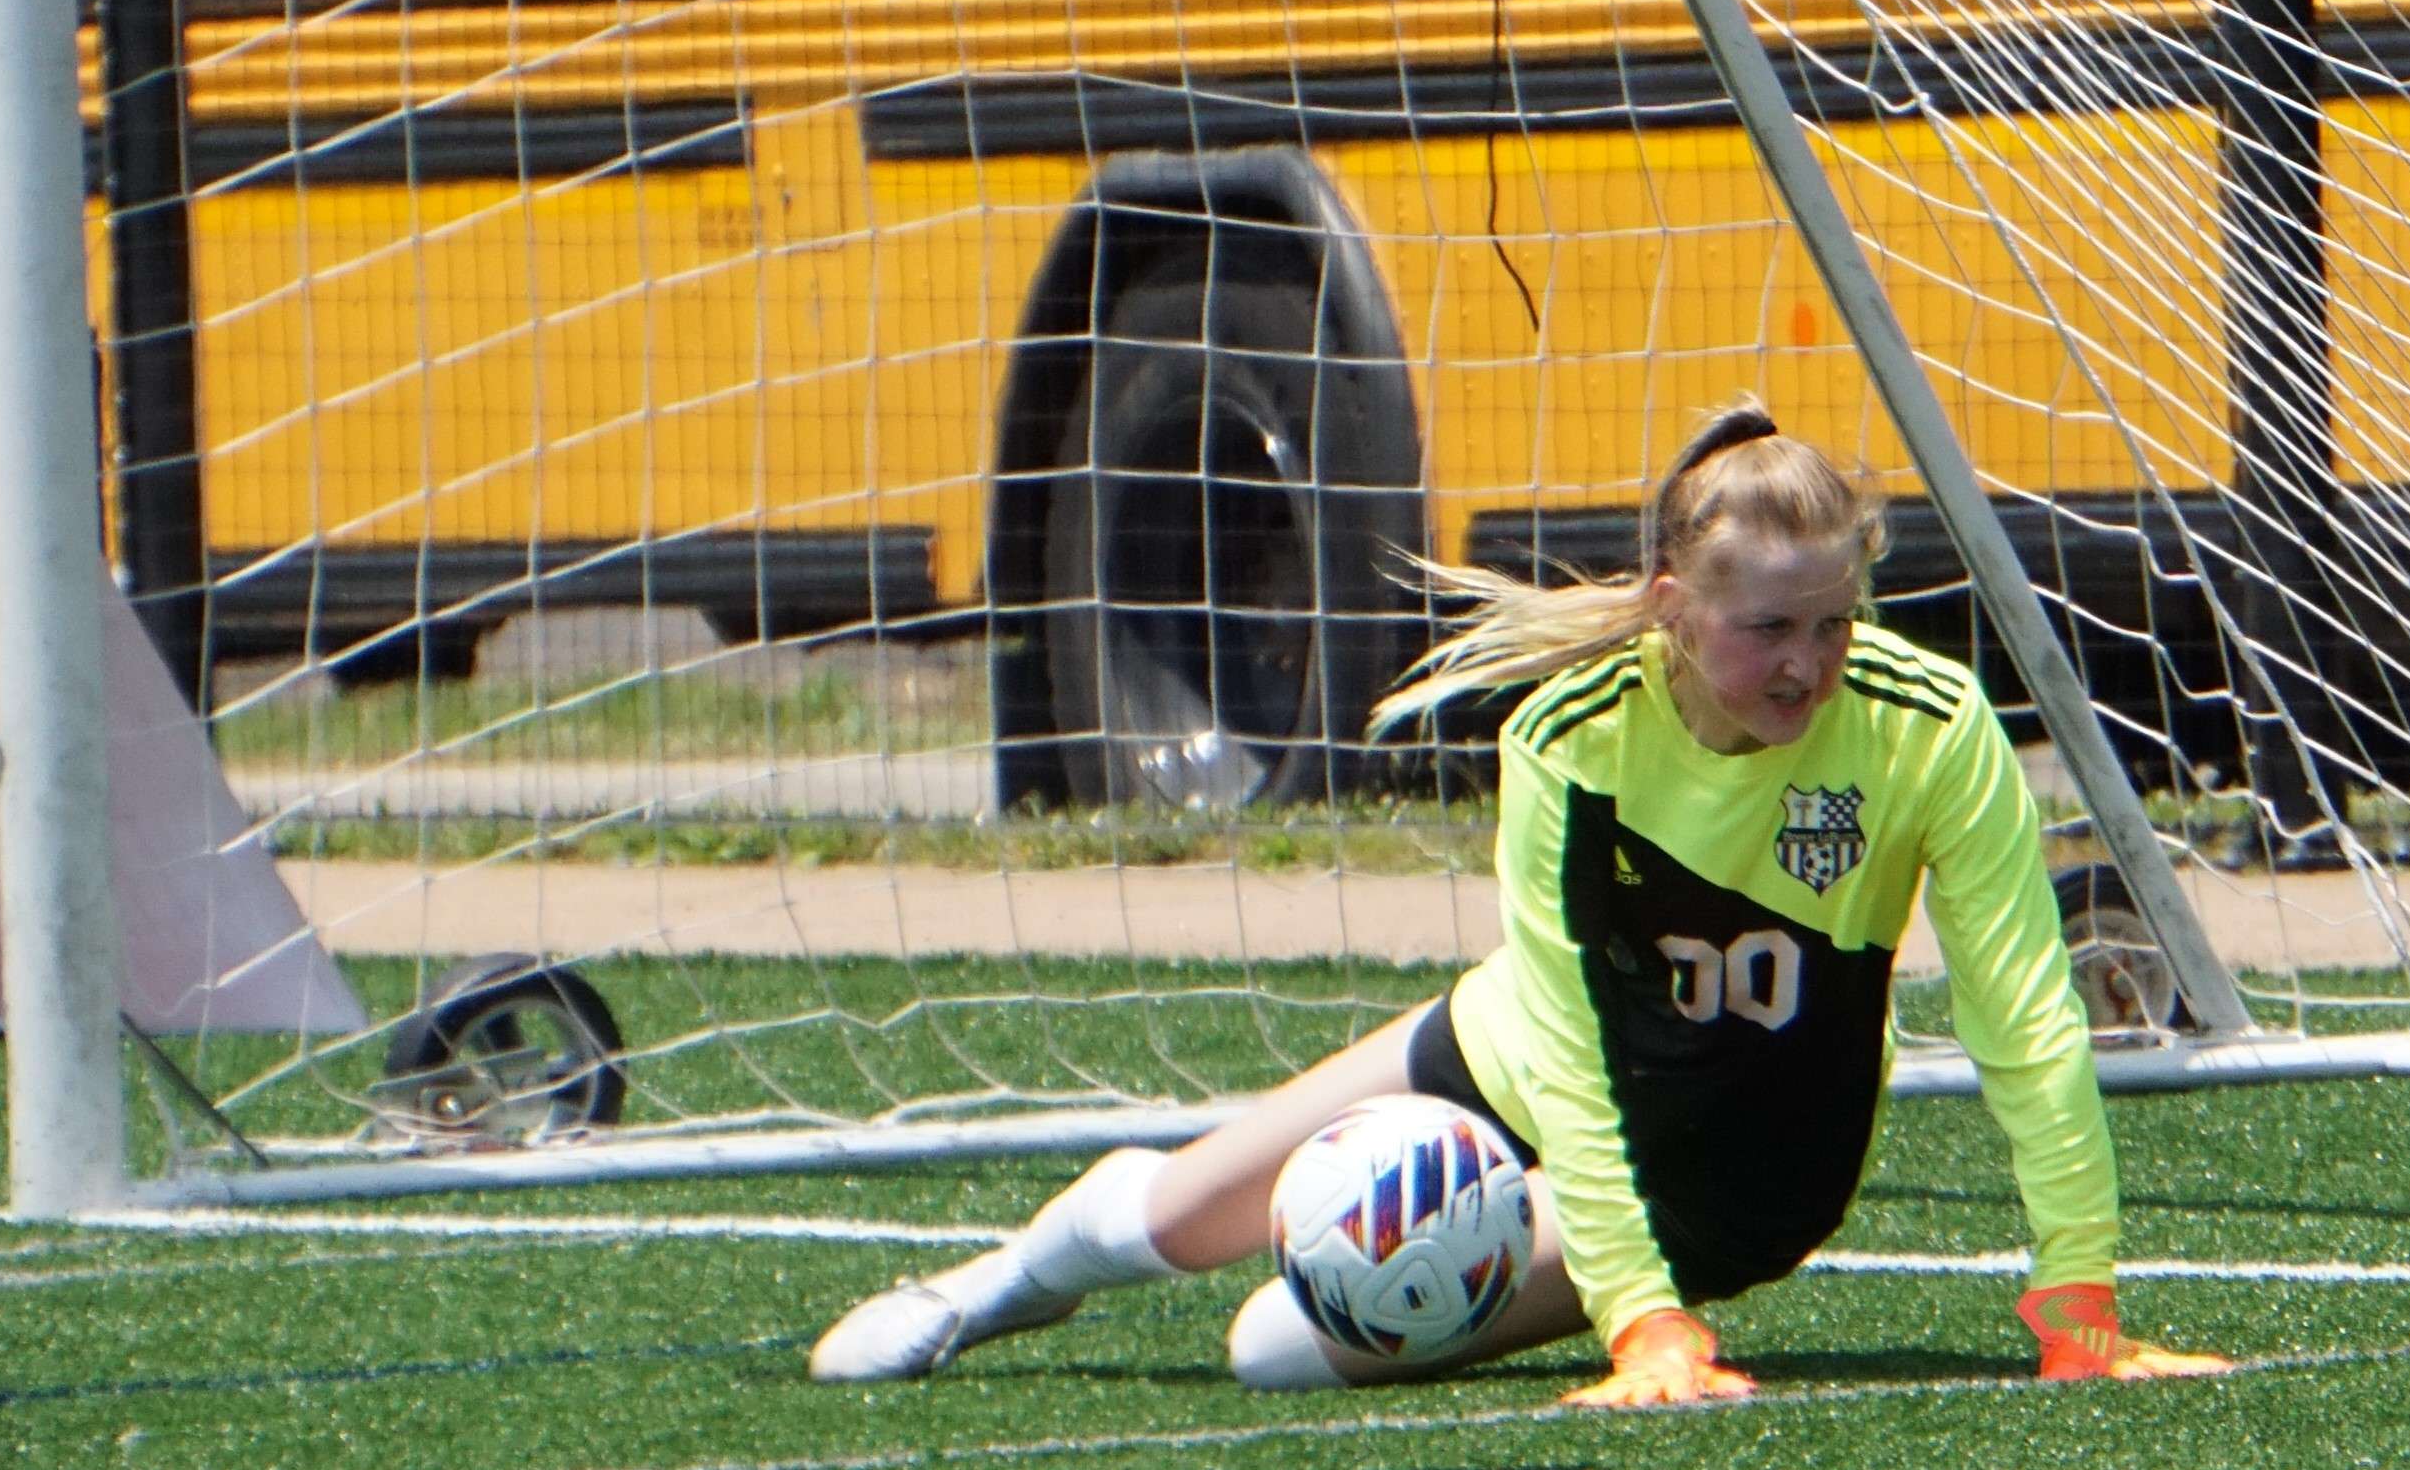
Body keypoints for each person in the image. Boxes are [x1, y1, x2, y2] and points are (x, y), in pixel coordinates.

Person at [808, 404, 2231, 1406]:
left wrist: (2076, 1301)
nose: (1807, 666)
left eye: (1831, 623)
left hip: (1735, 1171)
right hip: (1530, 1059)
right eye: (1765, 629)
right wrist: (1640, 1327)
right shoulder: (1570, 735)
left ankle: (1368, 1289)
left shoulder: (1926, 727)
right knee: (1182, 1213)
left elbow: (2026, 1021)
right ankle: (994, 1286)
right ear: (1673, 606)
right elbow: (1559, 1037)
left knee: (1275, 1345)